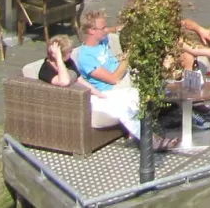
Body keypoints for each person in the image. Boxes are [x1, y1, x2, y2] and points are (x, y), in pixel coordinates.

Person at [71, 10, 176, 150]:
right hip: (112, 88)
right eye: (103, 28)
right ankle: (151, 139)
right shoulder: (85, 57)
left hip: (125, 78)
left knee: (158, 73)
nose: (106, 30)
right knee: (137, 95)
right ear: (91, 31)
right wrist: (128, 56)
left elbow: (116, 30)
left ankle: (177, 112)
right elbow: (113, 79)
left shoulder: (103, 40)